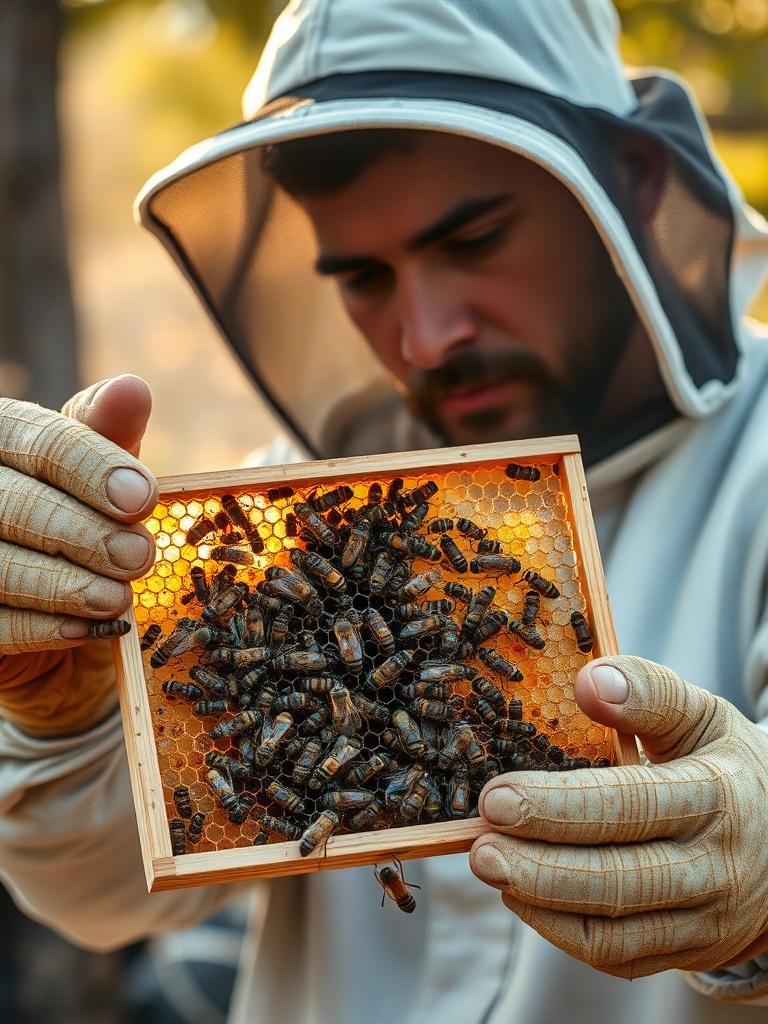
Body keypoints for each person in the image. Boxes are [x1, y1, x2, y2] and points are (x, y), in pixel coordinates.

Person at [0, 1, 768, 1022]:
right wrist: (64, 718)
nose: (425, 337)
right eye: (362, 276)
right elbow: (99, 895)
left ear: (631, 183)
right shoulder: (293, 512)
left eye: (477, 237)